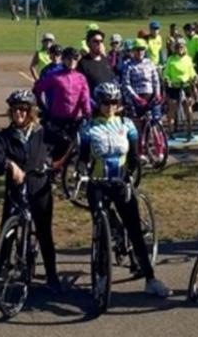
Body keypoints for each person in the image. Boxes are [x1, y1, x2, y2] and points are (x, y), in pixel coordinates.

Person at [79, 82, 172, 298]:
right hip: (98, 184)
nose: (110, 106)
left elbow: (132, 158)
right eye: (105, 102)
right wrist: (81, 173)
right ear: (98, 103)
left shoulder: (127, 125)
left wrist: (130, 174)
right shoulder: (88, 127)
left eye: (114, 102)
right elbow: (83, 158)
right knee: (101, 234)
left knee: (135, 231)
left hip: (120, 183)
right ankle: (101, 278)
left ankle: (150, 278)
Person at [0, 90, 69, 299]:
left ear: (30, 112)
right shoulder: (6, 136)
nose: (19, 113)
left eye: (23, 109)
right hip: (16, 191)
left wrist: (53, 164)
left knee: (44, 234)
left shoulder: (43, 132)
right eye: (15, 110)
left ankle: (52, 277)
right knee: (6, 236)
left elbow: (67, 144)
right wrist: (9, 164)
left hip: (39, 188)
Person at [33, 47, 92, 149]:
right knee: (58, 147)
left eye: (75, 59)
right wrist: (42, 106)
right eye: (69, 59)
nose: (72, 61)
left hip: (75, 119)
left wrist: (87, 113)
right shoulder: (55, 77)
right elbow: (38, 89)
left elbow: (85, 97)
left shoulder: (81, 78)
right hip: (57, 118)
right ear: (63, 59)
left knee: (74, 147)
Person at [121, 39, 163, 135]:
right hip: (137, 96)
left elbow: (155, 80)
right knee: (140, 122)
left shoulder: (150, 63)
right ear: (133, 51)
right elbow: (126, 84)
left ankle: (159, 142)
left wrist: (157, 93)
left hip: (151, 94)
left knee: (156, 119)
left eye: (142, 49)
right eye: (137, 49)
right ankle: (140, 142)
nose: (140, 52)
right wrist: (136, 97)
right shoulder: (128, 65)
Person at [162, 37, 197, 134]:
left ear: (184, 47)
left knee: (188, 108)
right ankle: (171, 130)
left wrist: (194, 77)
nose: (179, 49)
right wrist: (167, 79)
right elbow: (166, 73)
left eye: (181, 47)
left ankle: (190, 130)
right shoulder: (171, 59)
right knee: (172, 108)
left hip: (186, 86)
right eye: (177, 47)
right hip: (174, 86)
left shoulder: (188, 59)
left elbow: (192, 72)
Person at [78, 29, 116, 95]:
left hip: (109, 103)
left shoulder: (106, 61)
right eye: (95, 41)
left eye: (101, 41)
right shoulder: (83, 63)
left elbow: (113, 81)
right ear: (88, 43)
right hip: (92, 103)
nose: (99, 44)